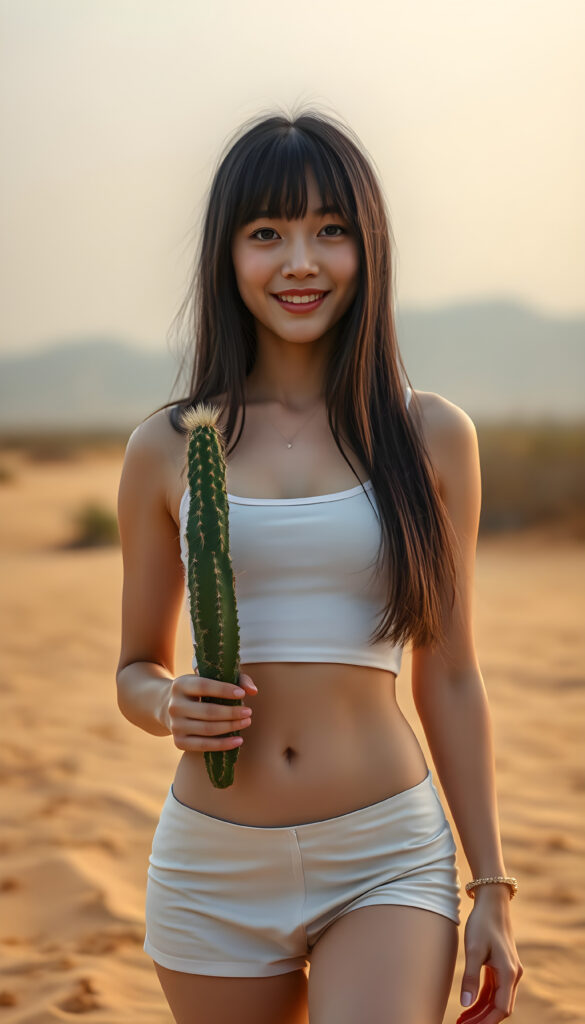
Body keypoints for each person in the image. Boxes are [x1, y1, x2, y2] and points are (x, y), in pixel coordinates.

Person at [116, 108, 524, 1024]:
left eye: (329, 231)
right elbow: (133, 665)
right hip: (213, 865)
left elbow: (451, 672)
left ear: (367, 248)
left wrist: (489, 885)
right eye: (267, 234)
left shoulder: (430, 436)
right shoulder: (168, 446)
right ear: (228, 255)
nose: (300, 261)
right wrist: (162, 703)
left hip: (384, 850)